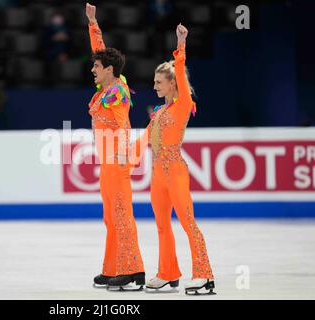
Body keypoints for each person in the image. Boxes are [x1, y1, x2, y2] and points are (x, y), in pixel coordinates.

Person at [131, 23, 215, 295]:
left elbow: (180, 69)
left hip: (176, 171)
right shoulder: (158, 111)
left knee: (188, 222)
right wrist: (126, 158)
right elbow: (145, 137)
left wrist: (181, 44)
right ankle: (168, 274)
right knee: (162, 225)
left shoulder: (181, 106)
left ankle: (204, 275)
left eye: (158, 82)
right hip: (158, 175)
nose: (154, 86)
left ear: (171, 84)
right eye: (154, 81)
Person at [85, 3, 145, 291]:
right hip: (107, 162)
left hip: (117, 160)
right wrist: (93, 22)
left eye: (97, 67)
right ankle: (113, 268)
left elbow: (122, 124)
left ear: (108, 71)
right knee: (111, 216)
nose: (92, 69)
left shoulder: (117, 91)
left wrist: (121, 153)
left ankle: (134, 270)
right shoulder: (111, 82)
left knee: (122, 215)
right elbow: (101, 51)